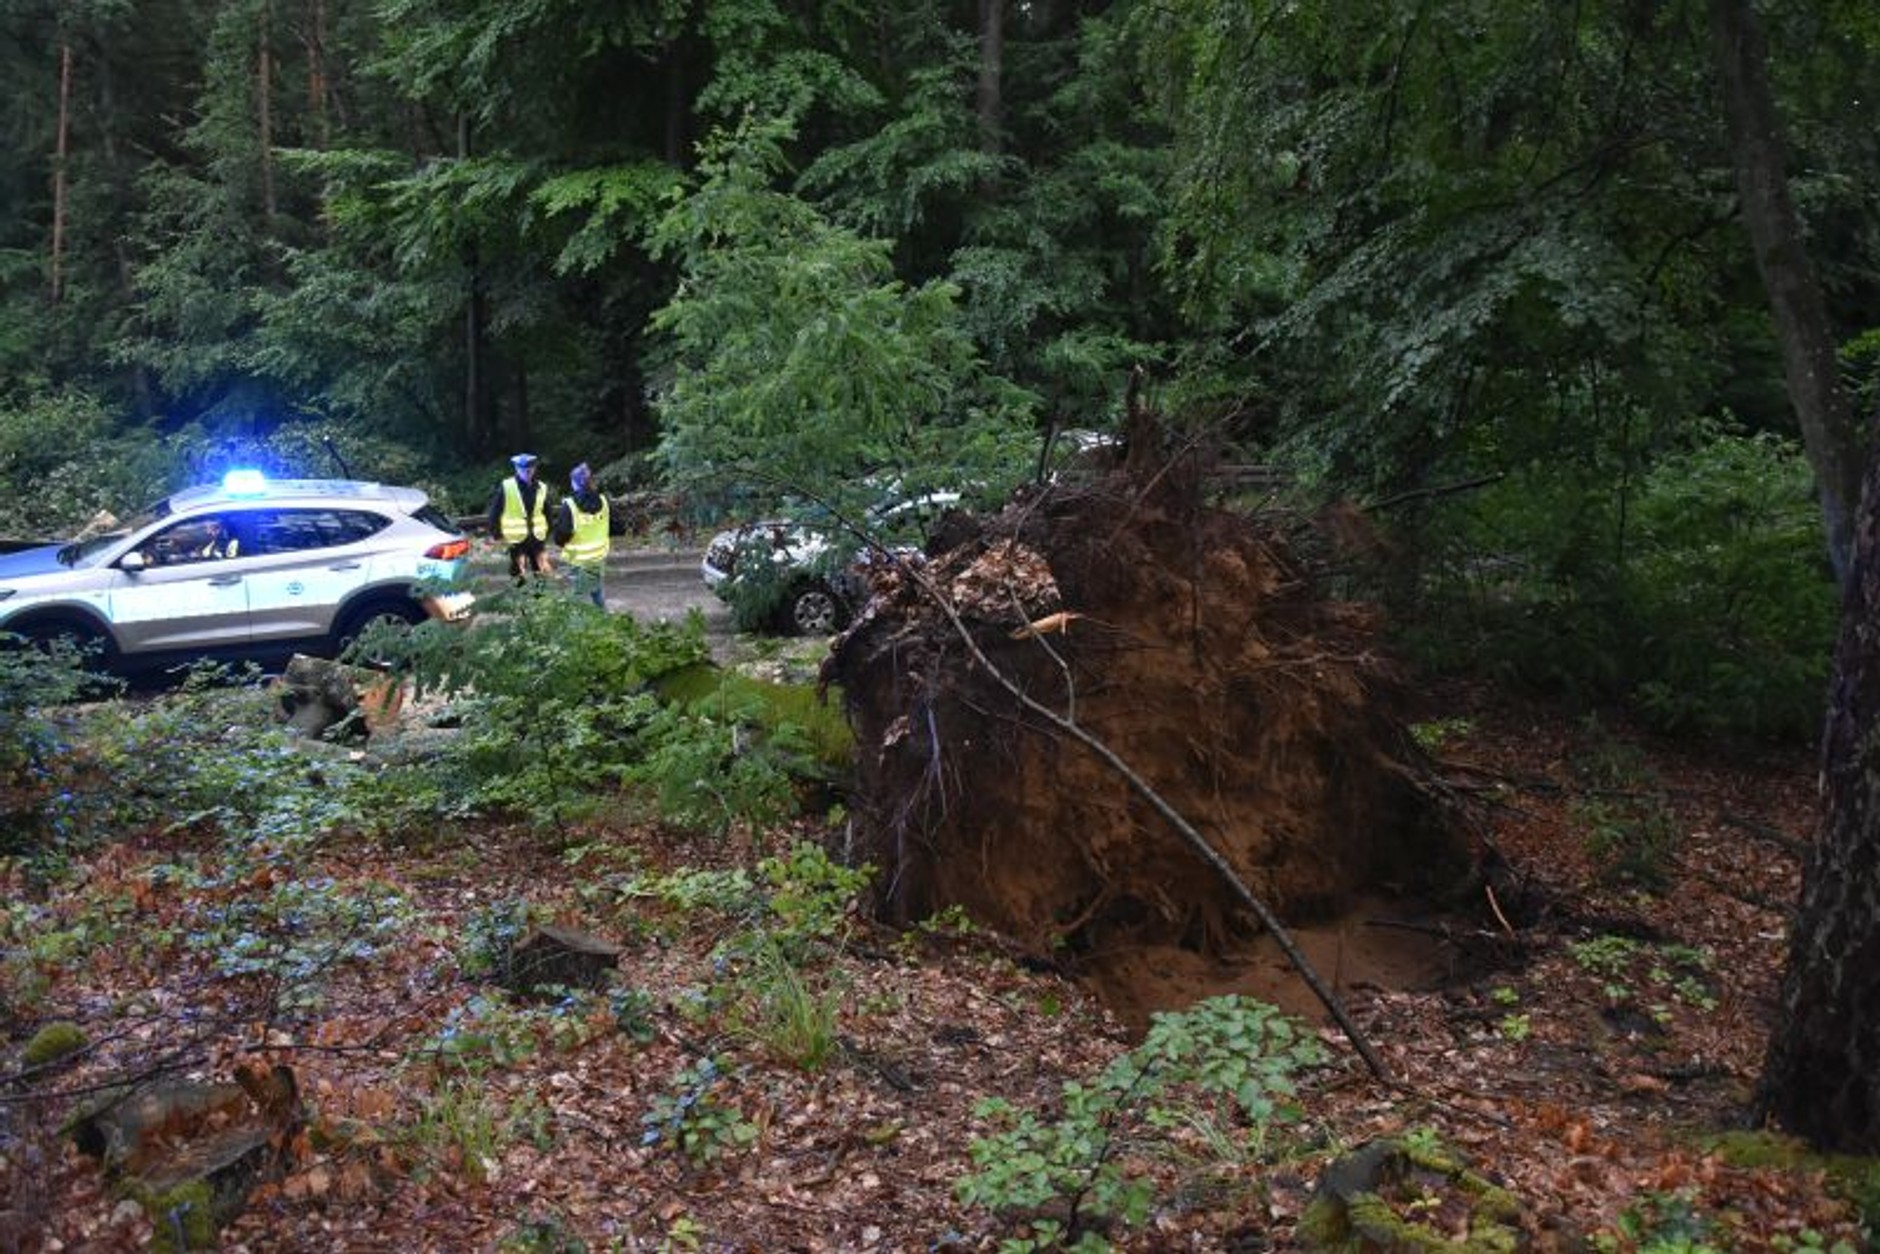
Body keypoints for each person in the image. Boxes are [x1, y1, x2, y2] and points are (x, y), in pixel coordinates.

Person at [485, 453, 553, 581]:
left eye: (530, 469)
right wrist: (497, 534)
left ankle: (541, 593)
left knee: (541, 571)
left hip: (537, 537)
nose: (527, 472)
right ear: (516, 469)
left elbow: (547, 511)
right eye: (523, 469)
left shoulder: (542, 487)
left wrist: (548, 530)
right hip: (516, 539)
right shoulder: (507, 486)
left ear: (534, 469)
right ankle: (519, 592)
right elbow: (495, 511)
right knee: (518, 572)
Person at [552, 462, 611, 608]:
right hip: (598, 555)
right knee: (595, 588)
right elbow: (613, 525)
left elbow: (562, 534)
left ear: (574, 483)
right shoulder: (603, 500)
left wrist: (560, 542)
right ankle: (602, 614)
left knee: (578, 592)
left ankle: (578, 617)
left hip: (578, 557)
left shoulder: (570, 505)